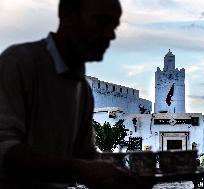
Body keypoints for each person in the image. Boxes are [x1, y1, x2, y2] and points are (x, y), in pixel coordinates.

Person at [0, 0, 151, 188]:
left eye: (114, 26)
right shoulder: (19, 63)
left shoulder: (82, 90)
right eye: (101, 21)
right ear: (66, 14)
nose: (110, 35)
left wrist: (120, 176)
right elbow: (4, 150)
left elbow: (85, 155)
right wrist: (79, 169)